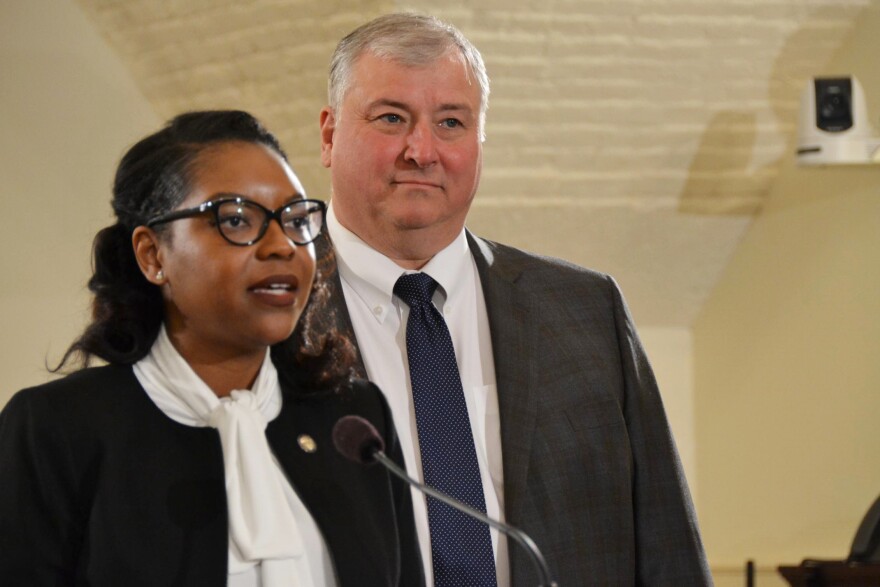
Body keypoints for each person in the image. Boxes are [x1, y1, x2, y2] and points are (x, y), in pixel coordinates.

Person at [306, 12, 713, 586]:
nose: (421, 151)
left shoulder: (585, 310)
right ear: (329, 135)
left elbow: (666, 543)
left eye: (451, 122)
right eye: (392, 118)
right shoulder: (272, 316)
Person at [0, 110, 424, 587]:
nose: (281, 245)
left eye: (294, 218)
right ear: (152, 255)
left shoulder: (354, 419)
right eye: (237, 220)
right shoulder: (55, 429)